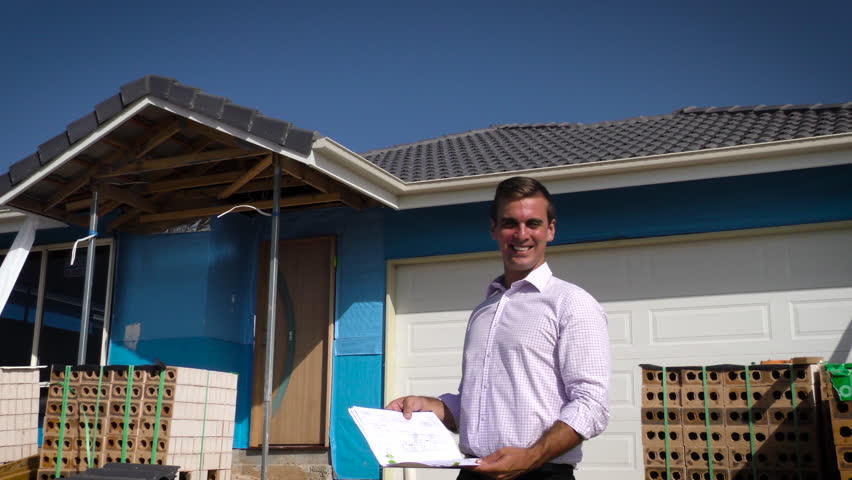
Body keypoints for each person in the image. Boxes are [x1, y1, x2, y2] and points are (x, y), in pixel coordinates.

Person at [386, 176, 610, 480]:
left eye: (533, 223)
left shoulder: (571, 303)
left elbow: (592, 405)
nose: (521, 234)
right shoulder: (484, 311)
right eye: (509, 224)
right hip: (472, 472)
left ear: (551, 230)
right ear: (494, 229)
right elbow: (474, 405)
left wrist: (530, 457)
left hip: (541, 474)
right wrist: (430, 406)